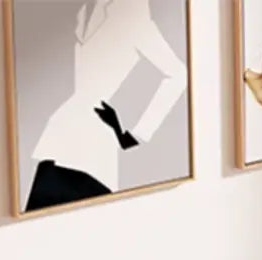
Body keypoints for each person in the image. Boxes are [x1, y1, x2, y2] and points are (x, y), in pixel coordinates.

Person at [25, 0, 188, 212]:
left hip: (93, 151)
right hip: (60, 137)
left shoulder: (131, 12)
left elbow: (178, 74)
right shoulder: (85, 9)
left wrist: (133, 135)